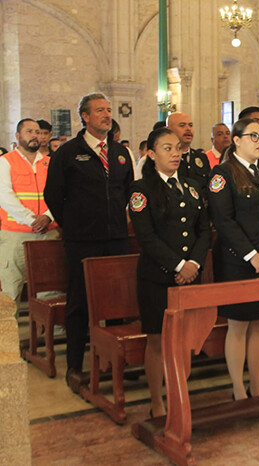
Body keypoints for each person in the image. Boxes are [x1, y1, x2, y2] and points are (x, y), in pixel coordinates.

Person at [44, 92, 134, 393]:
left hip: (117, 237)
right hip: (82, 241)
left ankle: (118, 361)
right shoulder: (68, 153)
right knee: (80, 302)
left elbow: (128, 191)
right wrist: (73, 225)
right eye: (99, 111)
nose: (106, 115)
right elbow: (53, 195)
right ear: (84, 116)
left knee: (118, 300)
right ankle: (74, 366)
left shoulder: (120, 152)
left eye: (108, 110)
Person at [129, 127, 210, 417]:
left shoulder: (190, 186)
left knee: (184, 340)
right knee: (157, 341)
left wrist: (194, 266)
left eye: (177, 147)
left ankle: (179, 393)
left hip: (190, 276)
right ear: (151, 154)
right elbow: (146, 237)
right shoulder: (142, 190)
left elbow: (203, 231)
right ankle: (157, 401)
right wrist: (179, 266)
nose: (175, 153)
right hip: (157, 277)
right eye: (167, 148)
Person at [208, 118, 259, 400]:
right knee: (239, 325)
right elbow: (223, 220)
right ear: (237, 140)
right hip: (237, 262)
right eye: (253, 136)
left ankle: (257, 385)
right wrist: (250, 254)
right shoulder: (224, 173)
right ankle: (238, 388)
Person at [0, 119, 59, 305]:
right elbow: (4, 195)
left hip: (48, 232)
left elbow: (61, 193)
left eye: (37, 131)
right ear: (17, 136)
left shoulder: (51, 163)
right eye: (29, 131)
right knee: (11, 289)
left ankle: (54, 331)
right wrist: (30, 220)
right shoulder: (5, 161)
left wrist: (48, 217)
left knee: (50, 287)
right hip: (16, 234)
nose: (35, 135)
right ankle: (8, 334)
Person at [167, 112, 211, 193]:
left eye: (190, 125)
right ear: (169, 130)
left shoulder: (201, 157)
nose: (188, 129)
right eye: (182, 125)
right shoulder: (164, 159)